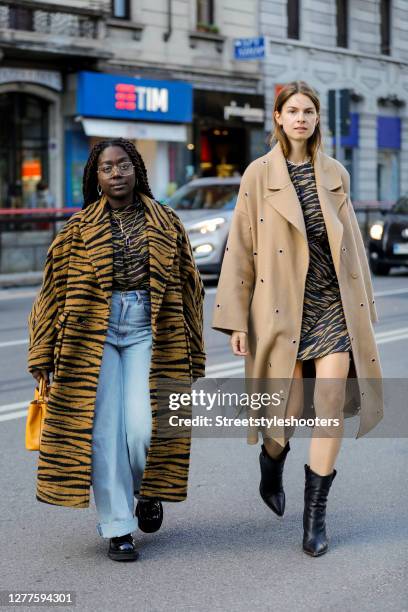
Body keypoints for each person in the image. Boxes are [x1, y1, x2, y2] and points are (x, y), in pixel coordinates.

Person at [212, 81, 383, 557]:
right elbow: (239, 250)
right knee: (282, 419)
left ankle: (315, 518)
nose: (301, 118)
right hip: (281, 308)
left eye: (309, 111)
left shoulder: (335, 173)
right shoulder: (257, 175)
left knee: (329, 405)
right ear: (279, 118)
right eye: (293, 111)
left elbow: (354, 250)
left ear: (316, 119)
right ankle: (271, 465)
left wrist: (365, 307)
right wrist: (236, 321)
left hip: (332, 306)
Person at [28, 138, 205, 561]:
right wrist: (41, 354)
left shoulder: (167, 222)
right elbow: (51, 292)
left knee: (144, 429)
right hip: (93, 333)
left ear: (136, 168)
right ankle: (118, 527)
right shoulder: (76, 229)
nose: (115, 174)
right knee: (104, 433)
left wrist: (194, 353)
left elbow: (189, 288)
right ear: (96, 177)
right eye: (106, 168)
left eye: (122, 165)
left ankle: (147, 491)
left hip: (149, 329)